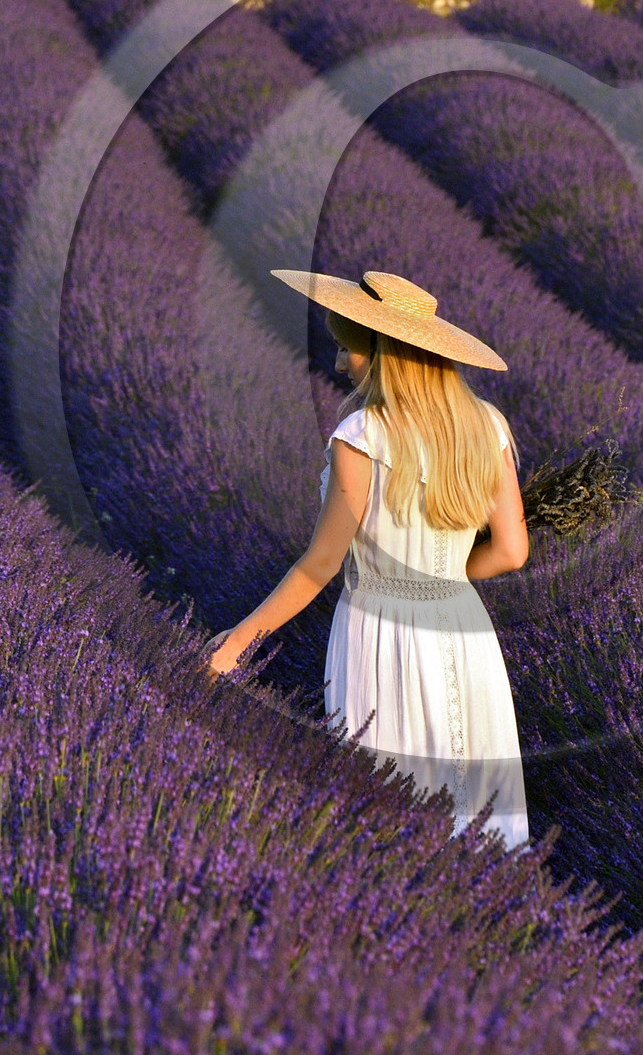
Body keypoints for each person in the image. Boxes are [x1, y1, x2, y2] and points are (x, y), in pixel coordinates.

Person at [206, 268, 531, 851]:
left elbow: (320, 565)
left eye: (346, 347)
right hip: (468, 632)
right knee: (479, 825)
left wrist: (236, 644)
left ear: (383, 351)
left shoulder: (363, 434)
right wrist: (447, 580)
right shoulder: (488, 425)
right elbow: (512, 551)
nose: (338, 363)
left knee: (384, 821)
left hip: (382, 636)